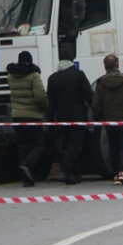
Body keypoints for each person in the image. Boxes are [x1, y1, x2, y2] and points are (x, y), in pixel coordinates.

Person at [91, 54, 123, 186]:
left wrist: (101, 117)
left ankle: (115, 174)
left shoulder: (101, 84)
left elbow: (96, 105)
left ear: (105, 67)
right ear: (117, 65)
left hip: (109, 122)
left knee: (113, 148)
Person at [46, 44, 94, 185]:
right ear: (72, 60)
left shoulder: (52, 78)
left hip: (61, 119)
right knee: (76, 146)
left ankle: (76, 174)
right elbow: (88, 95)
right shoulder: (78, 75)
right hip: (78, 118)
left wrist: (50, 121)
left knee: (67, 146)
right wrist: (97, 110)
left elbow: (51, 103)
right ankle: (66, 170)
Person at [7, 50, 48, 187]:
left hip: (17, 116)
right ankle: (27, 165)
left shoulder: (11, 76)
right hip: (32, 115)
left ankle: (25, 178)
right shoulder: (34, 76)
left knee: (23, 146)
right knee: (39, 144)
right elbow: (40, 96)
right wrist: (45, 107)